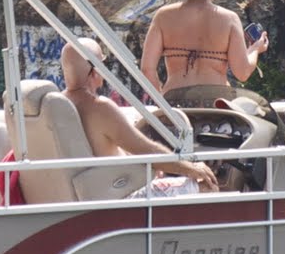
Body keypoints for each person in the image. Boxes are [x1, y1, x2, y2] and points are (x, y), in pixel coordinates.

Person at [64, 38, 218, 194]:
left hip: (94, 192)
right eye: (103, 64)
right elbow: (146, 149)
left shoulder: (62, 104)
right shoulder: (100, 107)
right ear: (96, 70)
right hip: (118, 196)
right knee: (207, 186)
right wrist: (191, 168)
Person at [140, 0, 270, 108]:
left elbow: (147, 69)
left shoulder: (163, 16)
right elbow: (242, 73)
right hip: (217, 103)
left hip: (175, 103)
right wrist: (255, 49)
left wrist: (163, 102)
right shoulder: (229, 18)